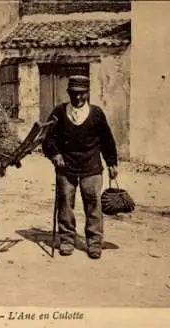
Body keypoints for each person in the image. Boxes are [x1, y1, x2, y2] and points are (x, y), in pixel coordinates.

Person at [42, 75, 119, 259]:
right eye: (74, 94)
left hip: (91, 165)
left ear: (88, 94)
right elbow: (47, 137)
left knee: (93, 203)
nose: (78, 98)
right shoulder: (59, 112)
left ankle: (94, 242)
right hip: (66, 166)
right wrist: (55, 154)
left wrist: (112, 163)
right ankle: (67, 240)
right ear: (68, 93)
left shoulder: (96, 113)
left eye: (82, 94)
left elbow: (107, 139)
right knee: (65, 202)